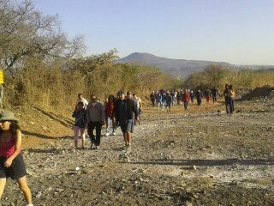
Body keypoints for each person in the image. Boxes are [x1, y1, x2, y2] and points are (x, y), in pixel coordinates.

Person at [0, 111, 33, 206]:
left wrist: (10, 159)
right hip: (1, 160)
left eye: (3, 121)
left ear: (10, 122)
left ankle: (29, 204)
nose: (0, 124)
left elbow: (18, 149)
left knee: (23, 187)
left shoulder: (16, 132)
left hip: (15, 160)